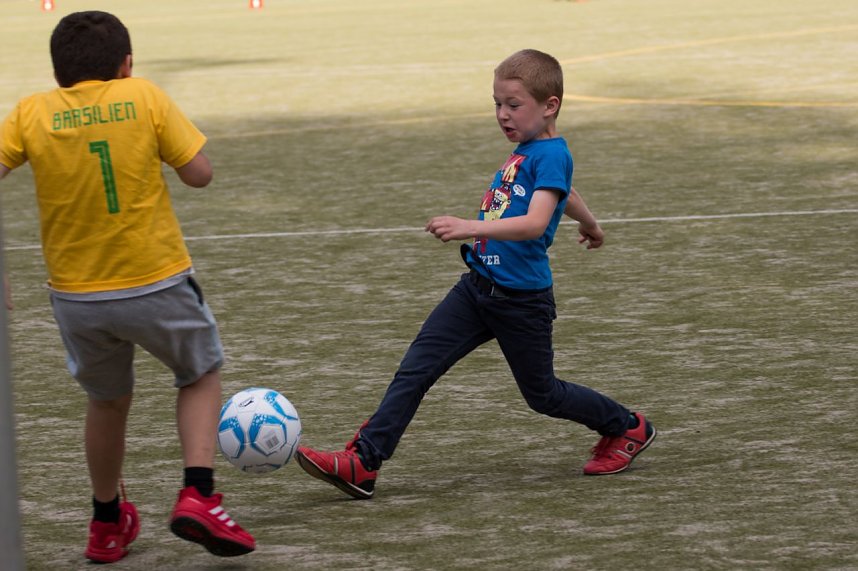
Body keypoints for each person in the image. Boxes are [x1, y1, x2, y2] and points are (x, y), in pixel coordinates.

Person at [295, 49, 656, 500]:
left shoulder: (552, 154)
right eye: (497, 104)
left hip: (520, 301)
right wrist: (590, 223)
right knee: (415, 369)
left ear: (550, 105)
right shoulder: (530, 151)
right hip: (476, 288)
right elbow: (565, 193)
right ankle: (363, 461)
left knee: (543, 395)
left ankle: (627, 426)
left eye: (513, 104)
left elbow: (537, 223)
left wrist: (470, 226)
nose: (503, 115)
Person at [0, 11, 254, 563]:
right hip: (154, 279)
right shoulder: (143, 96)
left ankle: (107, 521)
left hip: (76, 296)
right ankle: (199, 494)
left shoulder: (30, 112)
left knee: (107, 400)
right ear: (126, 63)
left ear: (58, 72)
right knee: (200, 373)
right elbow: (200, 174)